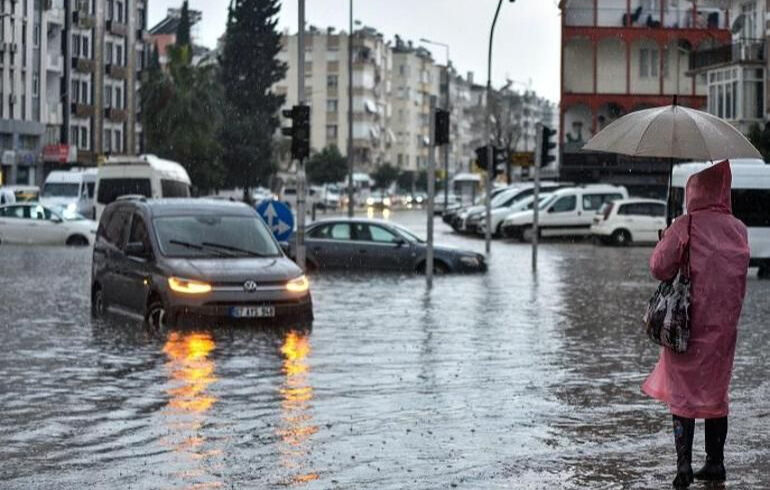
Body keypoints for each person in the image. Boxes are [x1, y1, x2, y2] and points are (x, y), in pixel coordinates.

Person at [642, 160, 750, 488]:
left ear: (694, 191)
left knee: (683, 395)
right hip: (723, 329)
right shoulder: (738, 229)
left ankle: (684, 466)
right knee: (716, 393)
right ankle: (715, 463)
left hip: (686, 325)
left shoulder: (685, 225)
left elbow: (659, 268)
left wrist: (666, 239)